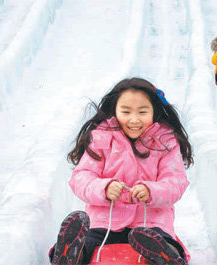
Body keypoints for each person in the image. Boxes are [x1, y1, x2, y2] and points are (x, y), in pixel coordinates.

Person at [49, 78, 193, 265]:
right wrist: (104, 188)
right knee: (89, 242)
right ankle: (72, 255)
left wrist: (152, 191)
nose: (134, 119)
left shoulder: (164, 142)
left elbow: (175, 181)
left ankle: (166, 257)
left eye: (142, 112)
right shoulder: (102, 138)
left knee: (163, 241)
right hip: (104, 223)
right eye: (126, 112)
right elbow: (81, 177)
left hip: (150, 225)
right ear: (115, 110)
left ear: (154, 111)